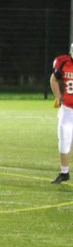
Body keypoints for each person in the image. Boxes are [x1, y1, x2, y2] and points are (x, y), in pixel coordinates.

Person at [51, 42, 73, 184]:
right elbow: (53, 79)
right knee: (64, 140)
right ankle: (64, 172)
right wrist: (58, 96)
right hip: (67, 109)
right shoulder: (64, 62)